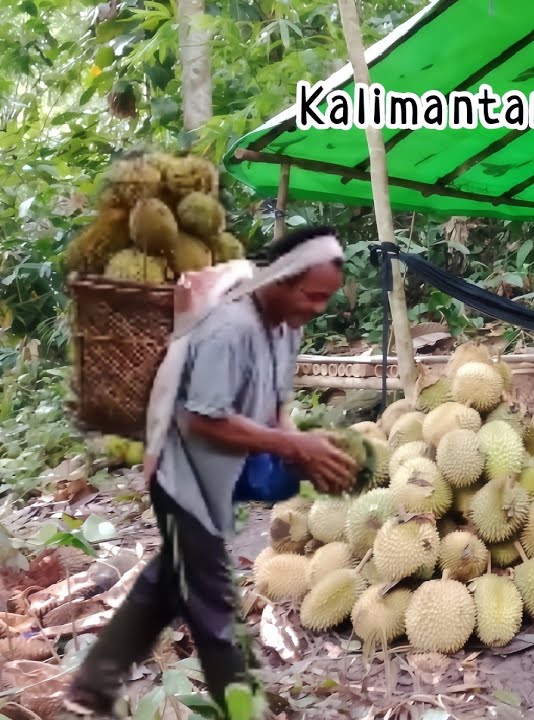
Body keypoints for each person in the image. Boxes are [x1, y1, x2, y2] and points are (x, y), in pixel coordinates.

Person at [62, 225, 360, 719]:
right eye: (312, 295)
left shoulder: (289, 326)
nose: (319, 307)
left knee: (167, 579)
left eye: (326, 298)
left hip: (223, 469)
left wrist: (298, 449)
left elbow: (276, 402)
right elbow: (201, 417)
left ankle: (91, 688)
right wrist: (290, 442)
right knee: (212, 597)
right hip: (181, 470)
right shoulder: (231, 327)